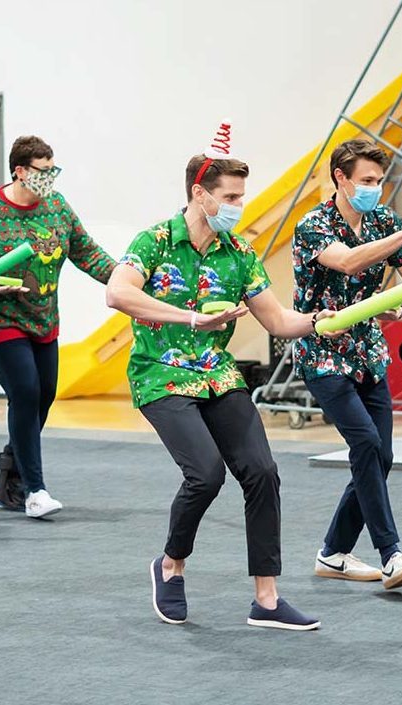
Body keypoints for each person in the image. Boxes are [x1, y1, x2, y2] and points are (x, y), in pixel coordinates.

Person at [106, 128, 339, 630]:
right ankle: (170, 566)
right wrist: (189, 319)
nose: (238, 205)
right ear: (200, 192)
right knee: (206, 474)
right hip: (161, 374)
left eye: (241, 196)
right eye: (230, 197)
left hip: (217, 376)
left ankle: (268, 600)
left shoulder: (240, 253)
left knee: (261, 471)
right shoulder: (154, 242)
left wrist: (331, 317)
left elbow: (278, 321)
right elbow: (117, 294)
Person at [0, 135, 115, 518]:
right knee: (24, 390)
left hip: (42, 317)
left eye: (53, 170)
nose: (49, 178)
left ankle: (11, 469)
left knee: (44, 396)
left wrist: (122, 277)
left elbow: (85, 251)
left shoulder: (57, 207)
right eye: (42, 171)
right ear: (19, 171)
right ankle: (34, 489)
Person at [292, 139, 402, 590]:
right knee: (367, 444)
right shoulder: (312, 225)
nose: (375, 188)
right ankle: (392, 554)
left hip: (369, 352)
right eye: (367, 181)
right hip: (323, 353)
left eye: (379, 180)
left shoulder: (383, 221)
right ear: (341, 177)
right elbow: (349, 262)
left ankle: (333, 553)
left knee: (380, 454)